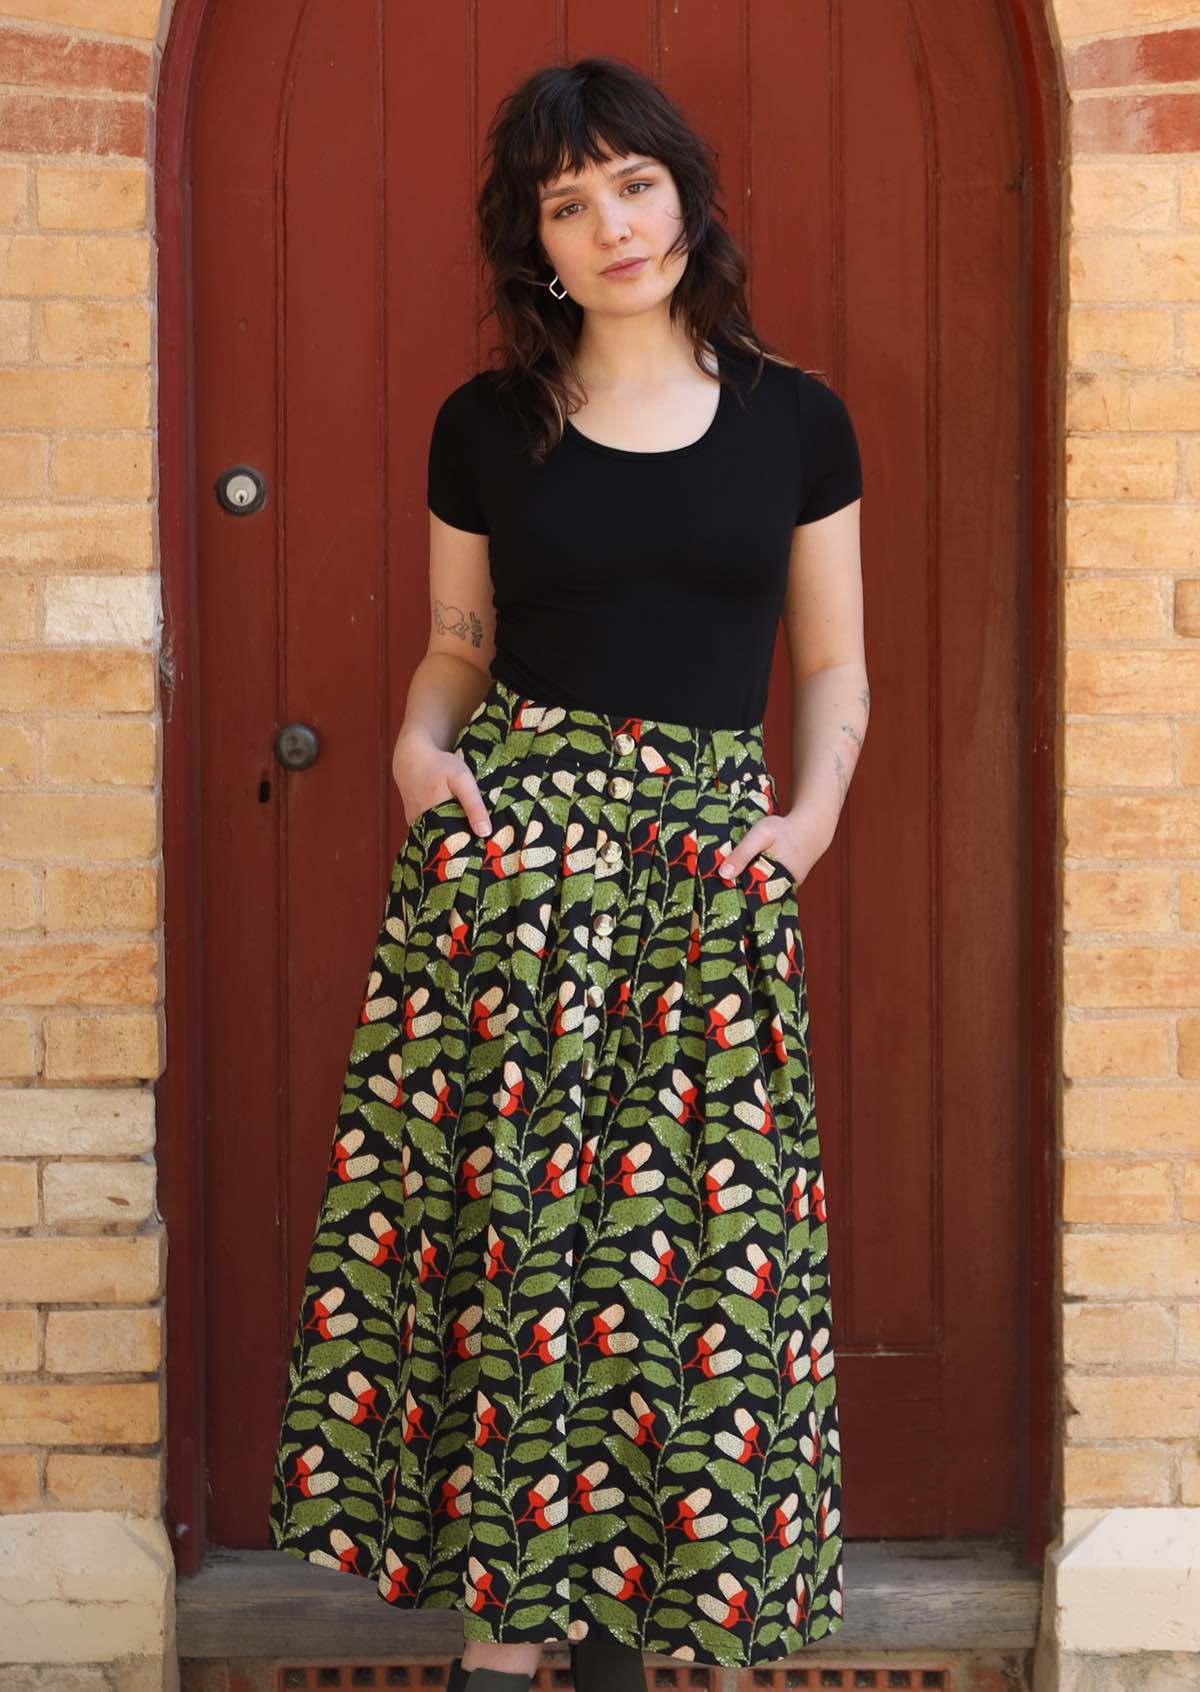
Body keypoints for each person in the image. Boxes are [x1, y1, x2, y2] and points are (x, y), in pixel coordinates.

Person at [267, 54, 866, 1692]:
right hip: (517, 874)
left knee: (701, 1277)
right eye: (569, 200)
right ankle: (505, 1646)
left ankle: (685, 1636)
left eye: (636, 182)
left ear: (687, 191)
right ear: (534, 241)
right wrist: (412, 742)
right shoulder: (488, 425)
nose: (614, 223)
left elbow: (834, 669)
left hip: (711, 873)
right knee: (520, 1260)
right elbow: (458, 647)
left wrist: (805, 824)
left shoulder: (798, 418)